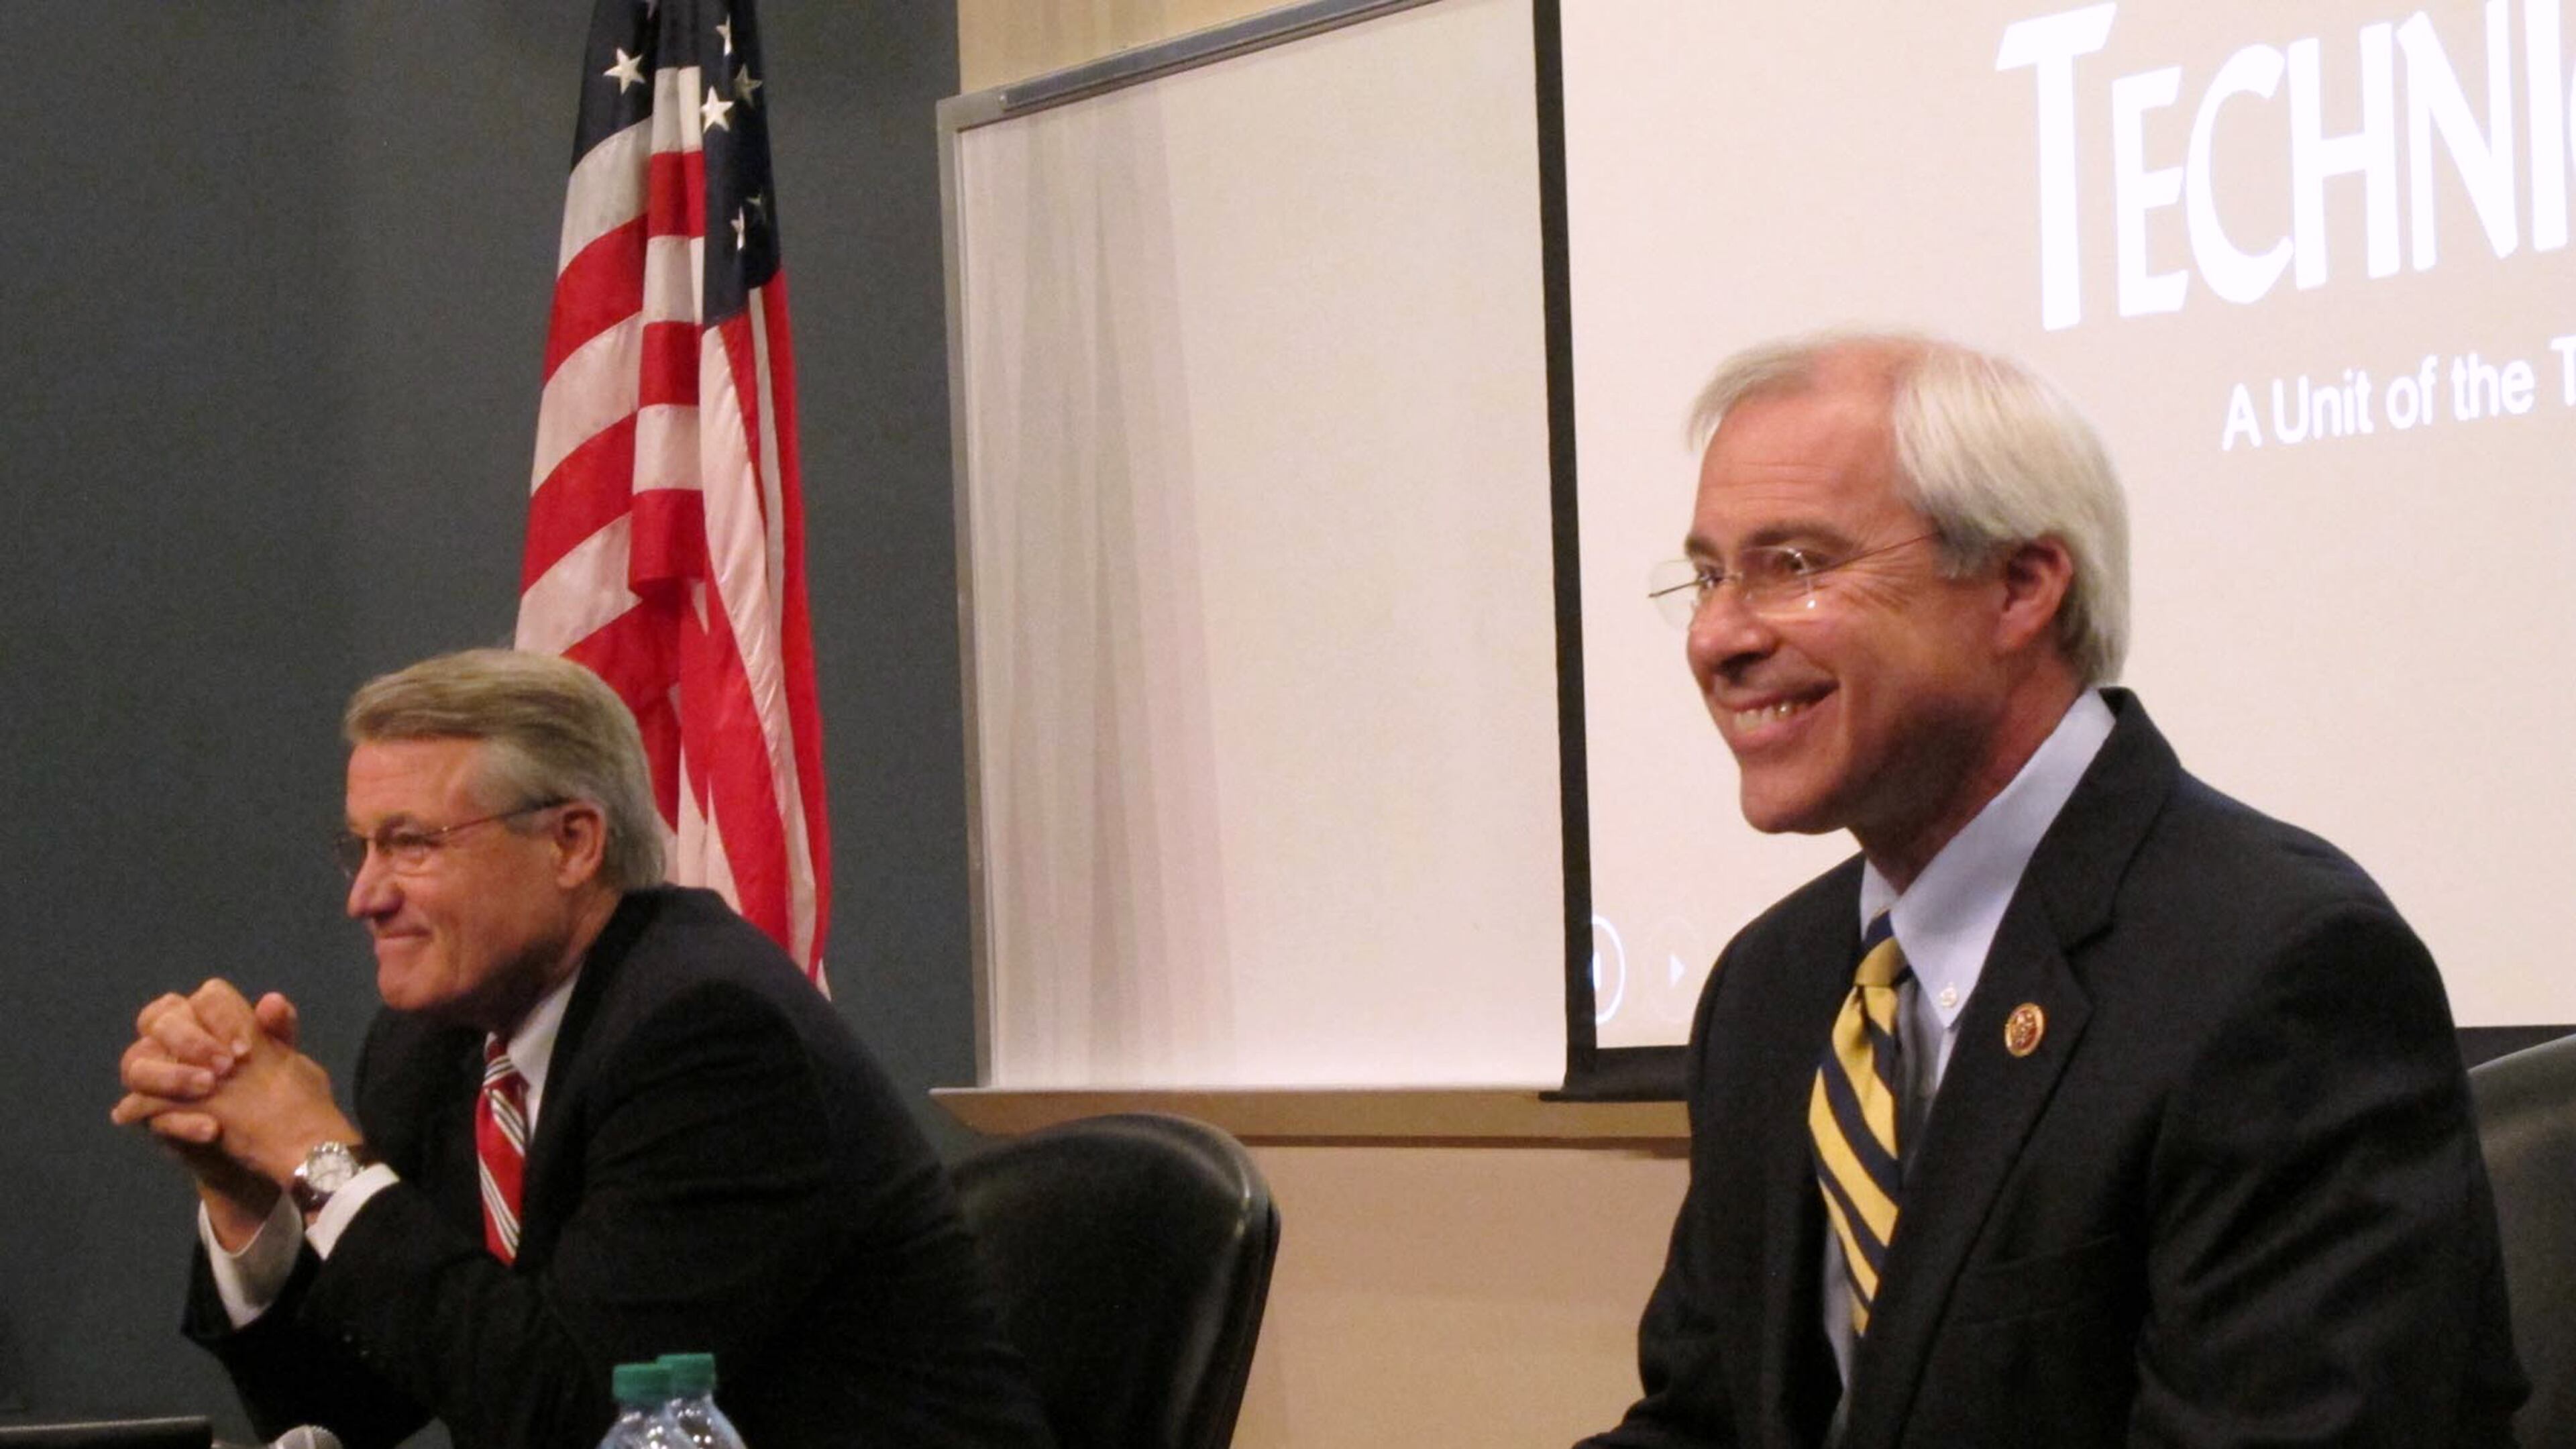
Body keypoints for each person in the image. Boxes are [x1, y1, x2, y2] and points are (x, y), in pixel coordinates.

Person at [1580, 333, 2523, 1448]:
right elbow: (1702, 1424)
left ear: (2021, 587)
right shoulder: (1772, 987)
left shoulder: (2278, 971)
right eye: (1709, 574)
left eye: (1793, 566)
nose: (1717, 636)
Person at [113, 649, 1053, 1449]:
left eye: (410, 845)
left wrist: (317, 1157)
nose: (366, 895)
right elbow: (343, 1410)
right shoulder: (429, 1047)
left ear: (571, 843)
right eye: (358, 847)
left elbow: (582, 1419)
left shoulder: (711, 1034)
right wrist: (247, 1190)